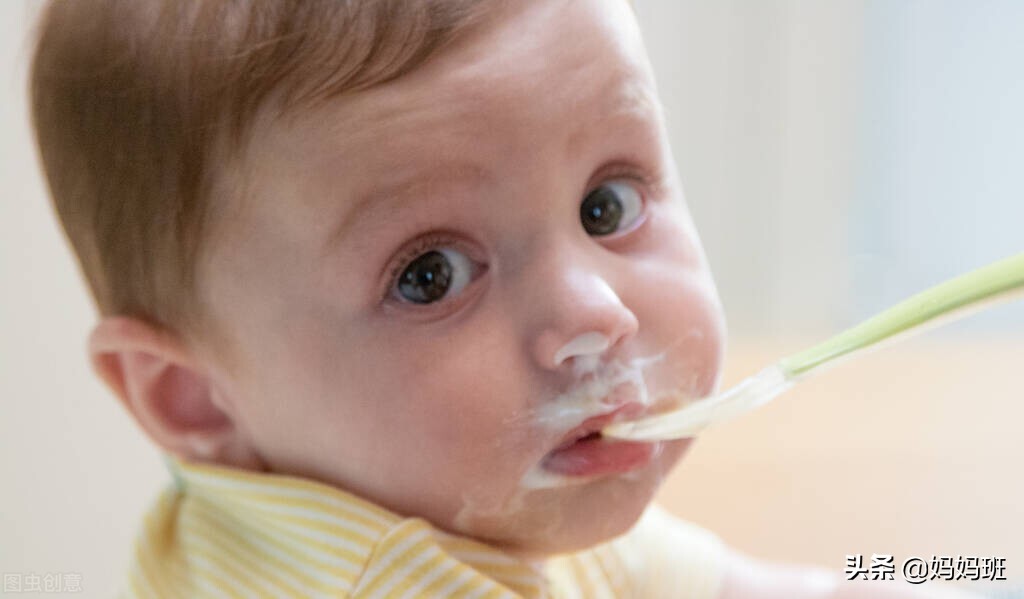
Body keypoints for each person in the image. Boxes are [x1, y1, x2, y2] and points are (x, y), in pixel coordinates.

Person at [29, 0, 980, 597]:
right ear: (193, 396)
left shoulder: (475, 492)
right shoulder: (395, 580)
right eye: (430, 275)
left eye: (605, 204)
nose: (596, 315)